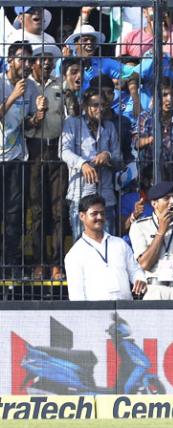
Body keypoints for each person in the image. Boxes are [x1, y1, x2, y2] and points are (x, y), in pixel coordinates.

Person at [0, 41, 44, 280]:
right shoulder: (2, 83)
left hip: (16, 158)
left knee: (14, 216)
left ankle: (11, 265)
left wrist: (37, 116)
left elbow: (27, 124)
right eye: (21, 59)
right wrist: (11, 97)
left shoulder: (31, 88)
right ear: (10, 60)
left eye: (29, 60)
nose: (26, 65)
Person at [25, 44, 67, 280]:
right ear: (33, 63)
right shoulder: (27, 86)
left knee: (59, 209)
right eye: (43, 60)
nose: (48, 64)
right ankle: (40, 262)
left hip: (57, 150)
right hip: (34, 151)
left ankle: (57, 263)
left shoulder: (59, 84)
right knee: (39, 210)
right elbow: (22, 123)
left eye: (51, 61)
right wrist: (36, 118)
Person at [61, 87, 123, 238]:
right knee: (80, 243)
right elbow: (64, 151)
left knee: (107, 242)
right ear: (84, 106)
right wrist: (83, 164)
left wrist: (107, 156)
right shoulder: (73, 124)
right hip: (81, 193)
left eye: (103, 105)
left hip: (105, 194)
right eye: (95, 105)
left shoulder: (109, 127)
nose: (99, 109)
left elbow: (119, 158)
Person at [65, 194, 146, 301]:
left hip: (126, 310)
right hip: (95, 313)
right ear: (82, 216)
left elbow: (135, 271)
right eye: (94, 214)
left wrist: (139, 279)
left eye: (102, 213)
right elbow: (76, 295)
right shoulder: (75, 254)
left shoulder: (120, 244)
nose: (99, 217)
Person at [129, 181, 173, 300]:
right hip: (157, 291)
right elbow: (145, 263)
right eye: (167, 198)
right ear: (154, 203)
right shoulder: (140, 226)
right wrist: (161, 231)